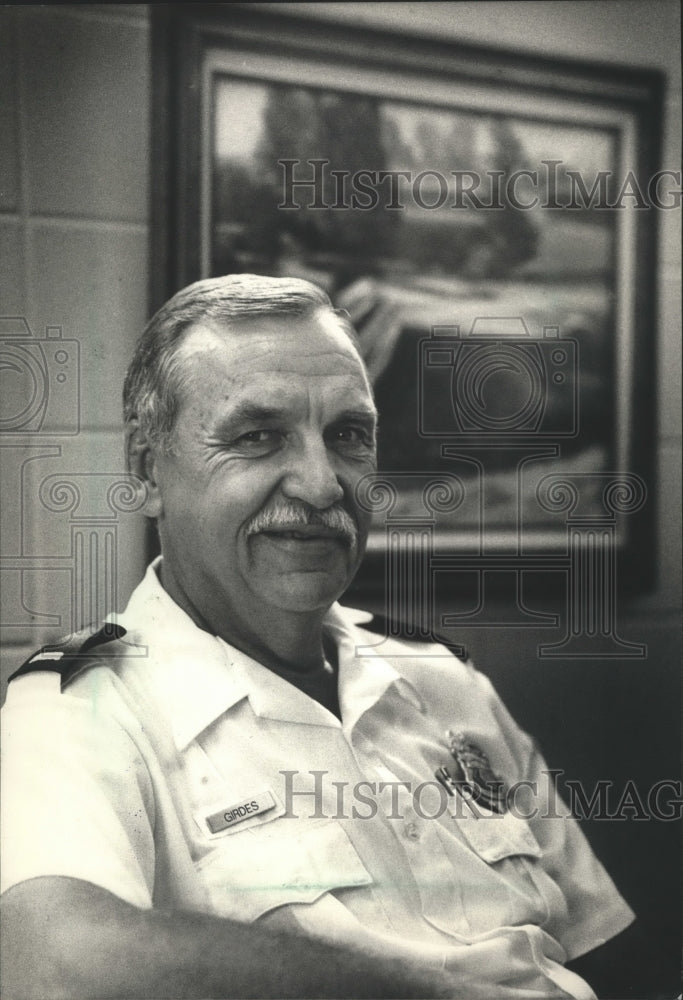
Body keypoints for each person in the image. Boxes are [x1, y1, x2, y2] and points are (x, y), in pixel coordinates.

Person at [0, 275, 646, 999]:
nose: (319, 484)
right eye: (257, 437)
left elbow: (606, 953)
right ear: (147, 471)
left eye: (348, 437)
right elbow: (53, 964)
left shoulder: (440, 681)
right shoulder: (82, 710)